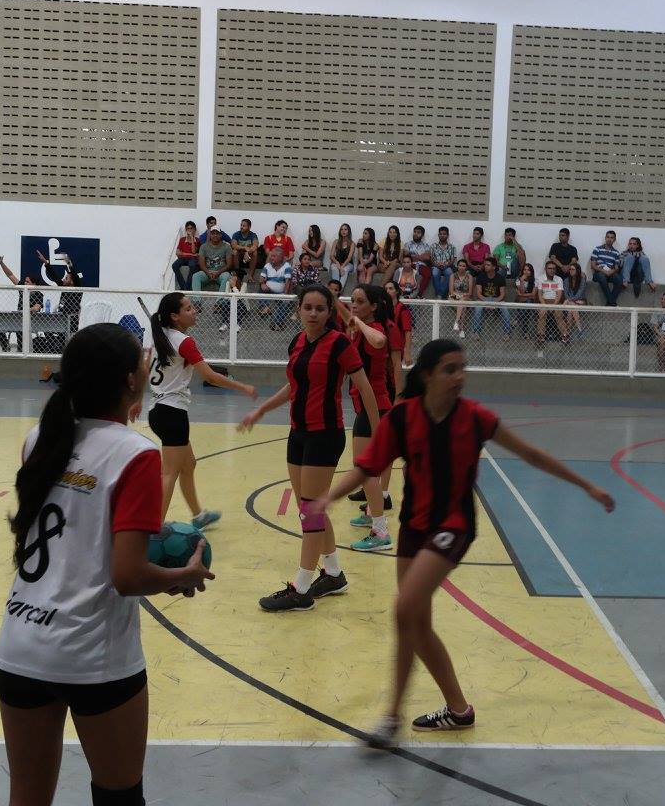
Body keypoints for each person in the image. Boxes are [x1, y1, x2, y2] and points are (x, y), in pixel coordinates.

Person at [308, 338, 616, 747]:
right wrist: (328, 497)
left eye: (462, 369)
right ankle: (458, 710)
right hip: (414, 527)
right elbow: (367, 467)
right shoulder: (402, 418)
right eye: (450, 369)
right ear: (428, 375)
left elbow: (532, 455)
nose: (460, 377)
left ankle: (391, 717)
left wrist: (587, 486)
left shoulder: (475, 418)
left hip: (453, 525)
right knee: (416, 624)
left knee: (404, 609)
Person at [0, 323, 214, 806]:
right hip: (92, 653)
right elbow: (128, 575)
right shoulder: (135, 454)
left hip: (20, 644)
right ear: (130, 380)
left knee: (27, 796)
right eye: (142, 362)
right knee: (119, 797)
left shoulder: (38, 438)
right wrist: (182, 575)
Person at [239, 285, 380, 612]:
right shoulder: (298, 342)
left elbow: (364, 387)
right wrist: (261, 410)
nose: (314, 313)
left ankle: (301, 589)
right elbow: (294, 385)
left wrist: (378, 434)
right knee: (309, 507)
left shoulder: (339, 344)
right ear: (298, 310)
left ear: (330, 312)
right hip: (298, 433)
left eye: (320, 308)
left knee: (311, 510)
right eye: (308, 307)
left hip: (325, 435)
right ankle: (333, 574)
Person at [148, 292, 257, 529]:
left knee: (188, 464)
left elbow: (144, 367)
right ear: (175, 316)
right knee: (169, 473)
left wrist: (137, 400)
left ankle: (198, 515)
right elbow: (209, 376)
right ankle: (154, 530)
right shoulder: (183, 342)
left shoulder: (158, 337)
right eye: (188, 309)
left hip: (158, 410)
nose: (194, 311)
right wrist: (242, 387)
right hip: (172, 412)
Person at [342, 285, 401, 552]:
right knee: (364, 469)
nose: (354, 305)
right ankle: (371, 514)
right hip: (364, 406)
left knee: (365, 470)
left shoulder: (375, 328)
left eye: (360, 301)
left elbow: (379, 341)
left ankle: (380, 532)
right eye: (352, 300)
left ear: (374, 306)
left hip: (375, 406)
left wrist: (358, 324)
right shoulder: (359, 329)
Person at [0, 255, 44, 352]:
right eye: (25, 282)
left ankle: (21, 348)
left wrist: (26, 310)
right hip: (17, 318)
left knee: (21, 333)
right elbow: (10, 275)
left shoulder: (38, 294)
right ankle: (5, 345)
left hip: (30, 320)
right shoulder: (22, 290)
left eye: (27, 282)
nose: (25, 284)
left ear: (34, 284)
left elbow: (37, 307)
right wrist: (1, 263)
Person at [535, 260, 569, 355]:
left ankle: (565, 335)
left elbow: (559, 294)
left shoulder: (559, 279)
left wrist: (553, 306)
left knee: (558, 313)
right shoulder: (540, 279)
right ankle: (541, 336)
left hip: (555, 302)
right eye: (549, 268)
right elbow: (540, 294)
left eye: (554, 268)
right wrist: (545, 306)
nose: (552, 270)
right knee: (542, 312)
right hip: (544, 301)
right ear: (545, 269)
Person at [258, 246, 296, 330]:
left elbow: (288, 282)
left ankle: (277, 323)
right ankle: (265, 307)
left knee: (287, 302)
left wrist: (285, 295)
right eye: (271, 256)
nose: (271, 258)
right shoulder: (267, 265)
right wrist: (263, 283)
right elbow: (261, 278)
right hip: (269, 291)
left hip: (281, 292)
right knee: (261, 288)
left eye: (274, 256)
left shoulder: (287, 266)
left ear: (281, 257)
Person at [192, 227, 233, 294]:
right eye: (213, 233)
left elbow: (229, 264)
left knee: (227, 276)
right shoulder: (203, 246)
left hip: (221, 273)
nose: (215, 235)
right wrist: (208, 273)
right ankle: (197, 299)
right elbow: (201, 264)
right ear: (210, 235)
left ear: (220, 235)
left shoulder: (227, 247)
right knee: (196, 276)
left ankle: (220, 300)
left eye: (217, 233)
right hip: (207, 272)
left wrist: (218, 273)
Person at [590, 231, 623, 306]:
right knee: (602, 276)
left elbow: (617, 268)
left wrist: (610, 272)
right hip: (598, 273)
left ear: (614, 240)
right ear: (605, 238)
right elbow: (593, 265)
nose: (609, 239)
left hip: (610, 273)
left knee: (619, 279)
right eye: (608, 237)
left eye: (612, 238)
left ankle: (609, 303)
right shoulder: (597, 249)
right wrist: (603, 271)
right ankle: (612, 302)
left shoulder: (616, 252)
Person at [448, 258, 475, 337]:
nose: (461, 267)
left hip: (466, 297)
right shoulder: (453, 275)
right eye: (460, 265)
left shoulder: (469, 277)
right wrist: (458, 296)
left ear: (466, 267)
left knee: (462, 301)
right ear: (457, 266)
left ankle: (456, 322)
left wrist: (462, 296)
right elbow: (451, 291)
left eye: (463, 266)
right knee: (463, 305)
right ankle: (462, 329)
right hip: (454, 296)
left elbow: (470, 293)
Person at [403, 225, 433, 296]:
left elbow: (427, 257)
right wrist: (421, 256)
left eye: (418, 232)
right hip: (411, 264)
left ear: (422, 235)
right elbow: (406, 255)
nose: (415, 234)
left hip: (422, 265)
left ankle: (419, 294)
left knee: (428, 273)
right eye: (415, 232)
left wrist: (413, 255)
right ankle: (407, 293)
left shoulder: (426, 245)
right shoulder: (408, 244)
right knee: (408, 271)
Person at [230, 219, 260, 290]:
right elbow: (234, 245)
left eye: (244, 226)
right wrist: (245, 248)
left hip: (248, 255)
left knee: (255, 252)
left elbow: (255, 245)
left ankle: (250, 276)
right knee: (234, 252)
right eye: (241, 225)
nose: (241, 227)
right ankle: (237, 274)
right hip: (239, 254)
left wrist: (247, 252)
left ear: (249, 227)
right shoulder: (236, 234)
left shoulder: (253, 235)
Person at [429, 227, 458, 299]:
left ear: (448, 235)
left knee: (450, 273)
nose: (442, 235)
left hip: (447, 266)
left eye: (444, 234)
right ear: (438, 235)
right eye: (441, 234)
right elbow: (431, 258)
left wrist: (446, 264)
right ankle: (441, 295)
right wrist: (436, 264)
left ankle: (440, 294)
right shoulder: (433, 246)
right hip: (436, 266)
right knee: (435, 273)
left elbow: (453, 259)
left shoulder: (452, 247)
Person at [171, 221, 200, 291]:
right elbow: (178, 253)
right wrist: (190, 254)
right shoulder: (182, 239)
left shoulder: (197, 240)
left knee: (192, 265)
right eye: (188, 228)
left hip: (192, 259)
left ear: (194, 230)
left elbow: (194, 251)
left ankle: (187, 287)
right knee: (174, 265)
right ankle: (184, 286)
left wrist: (192, 238)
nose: (189, 230)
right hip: (183, 258)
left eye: (191, 228)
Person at [563, 262, 587, 333]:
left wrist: (569, 300)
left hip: (580, 300)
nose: (571, 271)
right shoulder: (566, 280)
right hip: (571, 302)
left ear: (577, 271)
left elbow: (579, 294)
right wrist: (570, 301)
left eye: (573, 269)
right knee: (572, 307)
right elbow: (566, 294)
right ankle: (579, 327)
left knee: (571, 308)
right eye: (570, 269)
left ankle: (568, 331)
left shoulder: (582, 280)